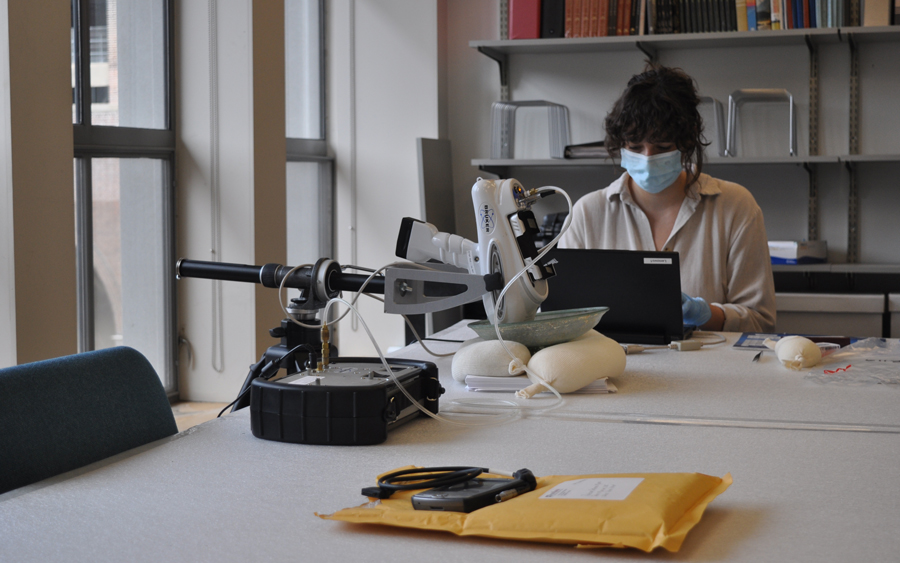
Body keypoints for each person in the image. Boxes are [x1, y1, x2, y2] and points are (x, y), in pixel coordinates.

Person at [559, 64, 776, 332]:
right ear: (621, 144)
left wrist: (705, 314)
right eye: (635, 147)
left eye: (662, 147)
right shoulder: (588, 212)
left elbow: (761, 321)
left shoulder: (735, 206)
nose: (648, 159)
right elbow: (563, 316)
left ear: (686, 142)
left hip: (709, 370)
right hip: (615, 368)